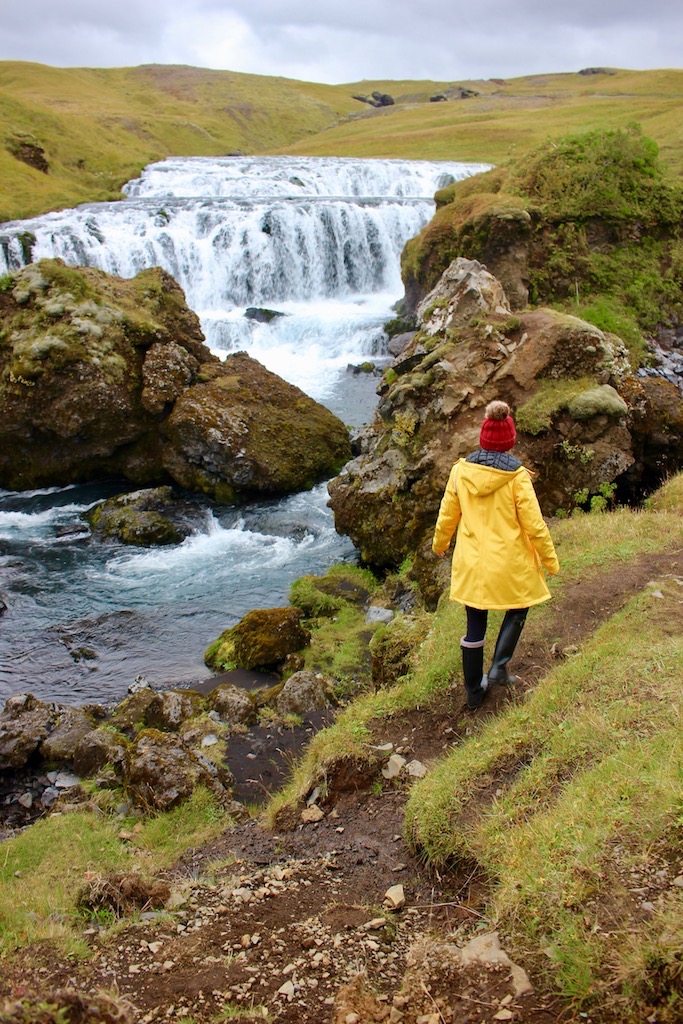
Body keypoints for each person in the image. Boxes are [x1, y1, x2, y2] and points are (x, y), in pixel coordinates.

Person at [432, 400, 560, 709]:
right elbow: (535, 525)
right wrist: (550, 561)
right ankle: (499, 667)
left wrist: (440, 545)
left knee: (475, 623)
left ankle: (474, 691)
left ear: (483, 438)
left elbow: (447, 514)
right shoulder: (517, 477)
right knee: (519, 607)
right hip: (508, 563)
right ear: (510, 441)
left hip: (472, 564)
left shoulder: (460, 471)